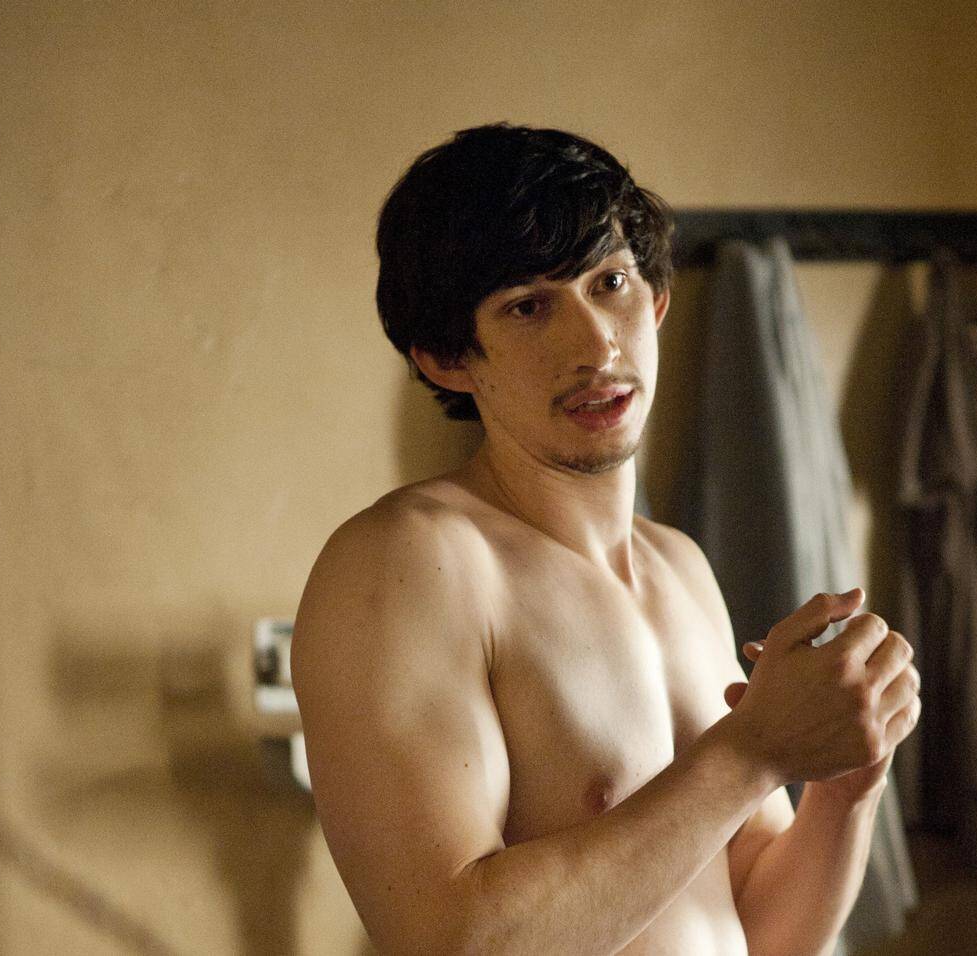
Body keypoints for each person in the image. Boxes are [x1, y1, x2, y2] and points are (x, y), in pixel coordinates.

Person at [291, 123, 921, 955]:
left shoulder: (681, 567)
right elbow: (447, 939)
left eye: (610, 283)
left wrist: (846, 787)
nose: (596, 344)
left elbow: (760, 929)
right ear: (447, 360)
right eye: (528, 307)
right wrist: (752, 752)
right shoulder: (407, 561)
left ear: (656, 302)